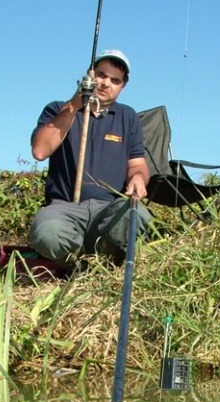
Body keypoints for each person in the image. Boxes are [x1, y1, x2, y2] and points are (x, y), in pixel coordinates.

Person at [29, 49, 151, 271]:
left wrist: (139, 179)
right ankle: (76, 266)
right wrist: (76, 104)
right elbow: (39, 151)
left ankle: (102, 262)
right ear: (89, 74)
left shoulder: (128, 117)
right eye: (101, 75)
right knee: (47, 233)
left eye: (115, 80)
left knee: (137, 215)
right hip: (64, 208)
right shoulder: (58, 108)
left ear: (122, 86)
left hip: (108, 209)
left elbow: (137, 165)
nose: (106, 83)